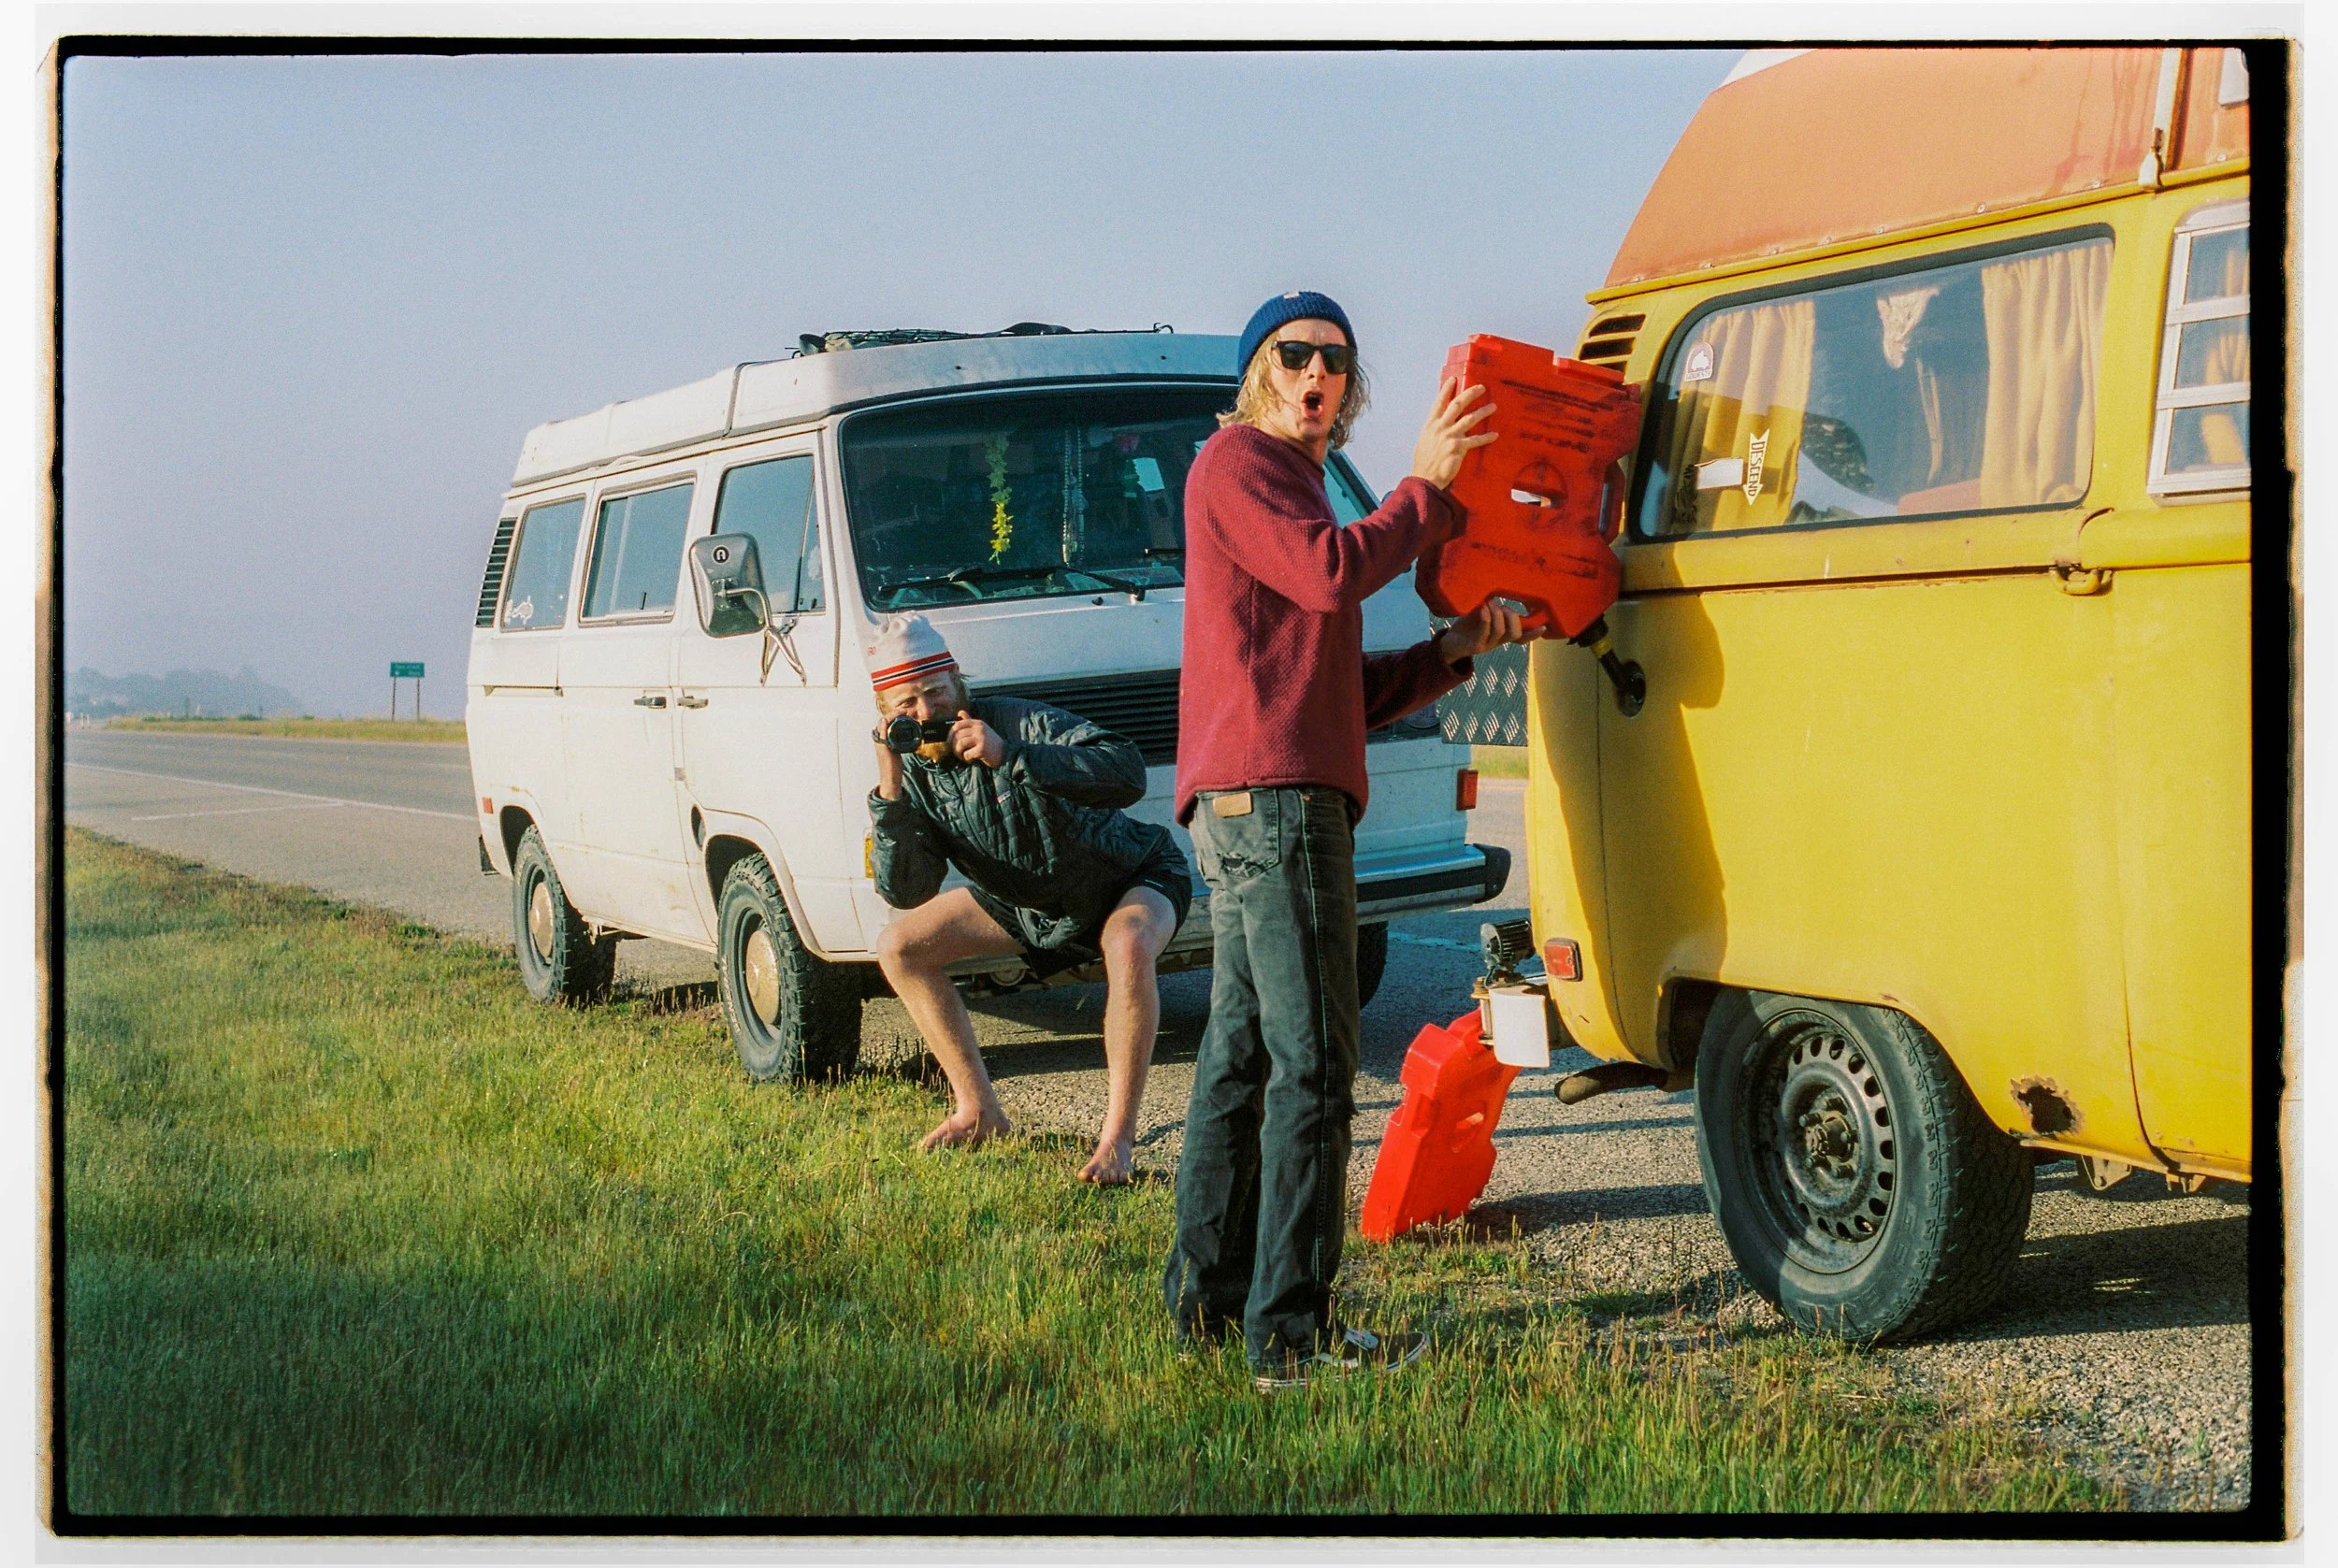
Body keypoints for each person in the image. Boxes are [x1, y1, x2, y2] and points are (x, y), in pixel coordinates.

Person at [1163, 290, 1531, 1389]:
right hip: (1274, 805)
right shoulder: (1239, 465)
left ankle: (1210, 1308)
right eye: (1295, 356)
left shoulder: (1296, 490)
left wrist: (1453, 649)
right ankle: (1291, 1338)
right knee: (1316, 1064)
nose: (1318, 373)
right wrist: (1424, 487)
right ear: (1256, 375)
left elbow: (1333, 689)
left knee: (1240, 1059)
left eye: (1336, 360)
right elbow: (1335, 574)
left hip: (1258, 795)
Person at [864, 611, 1192, 1185]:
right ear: (886, 716)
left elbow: (1126, 770)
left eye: (935, 693)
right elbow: (906, 890)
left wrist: (1008, 754)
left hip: (1126, 877)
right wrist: (889, 791)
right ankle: (980, 1111)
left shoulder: (1018, 720)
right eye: (905, 705)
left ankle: (1117, 1142)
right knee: (901, 948)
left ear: (957, 682)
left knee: (1130, 943)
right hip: (1029, 905)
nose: (924, 713)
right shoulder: (910, 773)